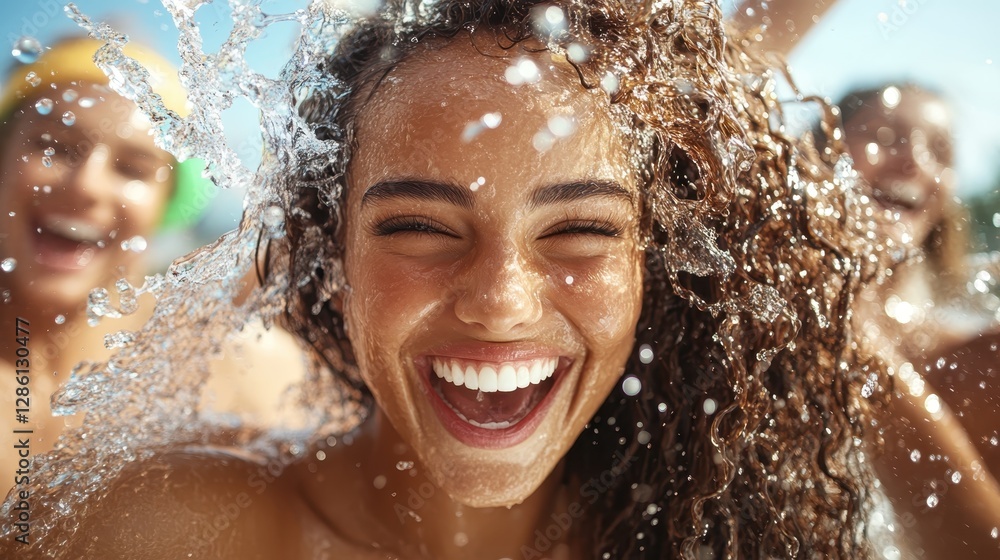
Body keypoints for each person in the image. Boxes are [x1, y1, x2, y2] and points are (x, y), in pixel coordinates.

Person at [10, 0, 1000, 558]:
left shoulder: (718, 538)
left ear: (660, 271)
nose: (499, 300)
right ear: (330, 260)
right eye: (416, 225)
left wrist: (805, 318)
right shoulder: (177, 527)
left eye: (579, 230)